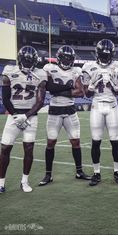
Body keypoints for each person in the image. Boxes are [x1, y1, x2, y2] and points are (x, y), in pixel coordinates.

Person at [38, 45, 91, 186]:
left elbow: (80, 92)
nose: (67, 61)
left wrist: (57, 90)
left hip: (70, 110)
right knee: (51, 142)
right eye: (65, 58)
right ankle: (48, 175)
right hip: (54, 111)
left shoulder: (76, 71)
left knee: (76, 141)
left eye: (69, 59)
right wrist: (69, 88)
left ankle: (79, 171)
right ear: (59, 58)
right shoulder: (49, 68)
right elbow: (49, 87)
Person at [0, 46, 47, 193]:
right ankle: (1, 183)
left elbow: (40, 101)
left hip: (30, 117)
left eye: (30, 62)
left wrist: (25, 116)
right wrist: (15, 115)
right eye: (25, 61)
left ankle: (24, 181)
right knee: (5, 148)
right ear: (20, 60)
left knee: (29, 149)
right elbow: (5, 98)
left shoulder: (40, 74)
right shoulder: (9, 71)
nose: (27, 64)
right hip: (13, 116)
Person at [82, 39, 118, 186]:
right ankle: (96, 173)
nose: (106, 57)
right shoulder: (89, 66)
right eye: (103, 54)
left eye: (108, 55)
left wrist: (115, 86)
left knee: (115, 141)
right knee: (96, 141)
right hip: (97, 105)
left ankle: (117, 172)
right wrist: (92, 85)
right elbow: (86, 94)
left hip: (112, 105)